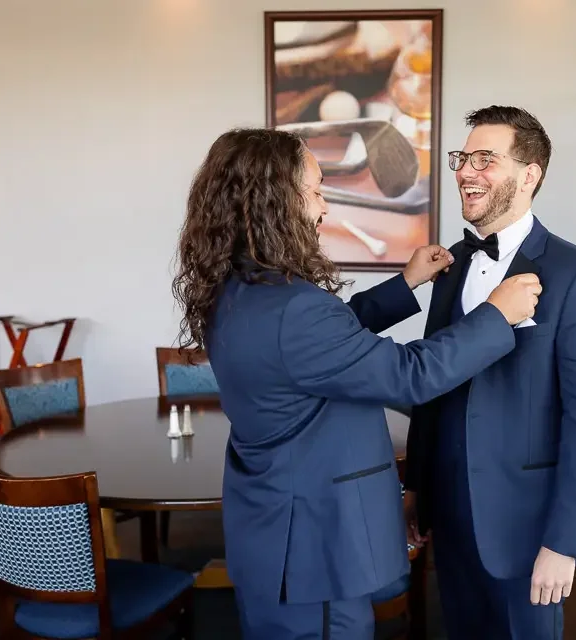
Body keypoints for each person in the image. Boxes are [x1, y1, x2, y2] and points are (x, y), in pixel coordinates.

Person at [171, 127, 542, 639]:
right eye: (317, 191)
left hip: (273, 528)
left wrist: (404, 284)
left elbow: (321, 345)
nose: (324, 209)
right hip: (313, 548)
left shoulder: (237, 289)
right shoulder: (293, 308)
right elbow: (410, 375)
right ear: (276, 201)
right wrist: (496, 316)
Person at [404, 105, 576, 639]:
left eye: (485, 159)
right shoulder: (451, 264)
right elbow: (436, 384)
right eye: (462, 158)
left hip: (526, 528)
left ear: (530, 175)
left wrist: (565, 542)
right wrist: (418, 491)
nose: (465, 171)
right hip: (450, 517)